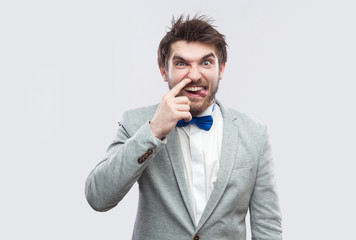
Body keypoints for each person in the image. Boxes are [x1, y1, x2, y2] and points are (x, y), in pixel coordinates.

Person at [85, 14, 282, 240]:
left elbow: (267, 225)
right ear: (163, 70)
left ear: (222, 69)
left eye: (206, 62)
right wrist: (153, 131)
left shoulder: (254, 133)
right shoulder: (136, 123)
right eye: (182, 63)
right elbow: (98, 197)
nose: (195, 75)